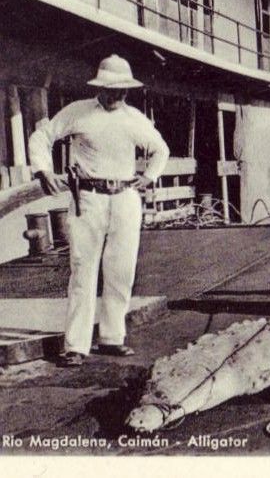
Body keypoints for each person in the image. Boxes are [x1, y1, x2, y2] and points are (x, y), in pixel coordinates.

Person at [28, 54, 170, 366]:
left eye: (122, 89)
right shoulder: (78, 112)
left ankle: (111, 338)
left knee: (121, 270)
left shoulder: (134, 119)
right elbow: (42, 136)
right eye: (111, 88)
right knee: (83, 269)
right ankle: (76, 345)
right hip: (88, 199)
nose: (117, 94)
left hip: (125, 198)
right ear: (100, 87)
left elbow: (161, 149)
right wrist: (43, 170)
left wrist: (149, 176)